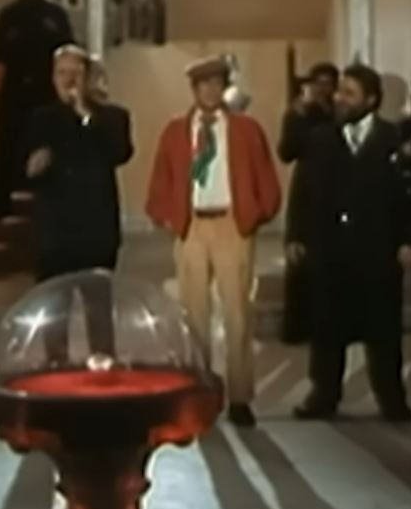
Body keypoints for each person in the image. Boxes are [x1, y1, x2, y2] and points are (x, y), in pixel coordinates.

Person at [145, 56, 281, 427]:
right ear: (193, 89)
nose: (210, 90)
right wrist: (166, 215)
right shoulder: (176, 131)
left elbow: (266, 176)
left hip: (232, 224)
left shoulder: (245, 130)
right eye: (203, 84)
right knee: (193, 315)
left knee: (237, 313)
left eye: (216, 83)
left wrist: (257, 213)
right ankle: (200, 392)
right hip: (192, 225)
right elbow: (161, 177)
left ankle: (239, 397)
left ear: (225, 88)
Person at [287, 65, 411, 422]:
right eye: (339, 91)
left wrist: (410, 242)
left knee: (383, 330)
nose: (338, 98)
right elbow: (301, 192)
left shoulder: (393, 140)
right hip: (329, 250)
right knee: (327, 327)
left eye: (349, 93)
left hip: (378, 251)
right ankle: (324, 394)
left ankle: (391, 397)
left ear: (371, 100)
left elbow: (410, 199)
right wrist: (296, 236)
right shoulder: (319, 139)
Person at [26, 44, 133, 362]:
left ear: (88, 77)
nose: (69, 80)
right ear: (52, 78)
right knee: (54, 311)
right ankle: (56, 368)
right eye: (62, 73)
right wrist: (33, 166)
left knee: (98, 310)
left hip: (95, 231)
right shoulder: (40, 119)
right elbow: (22, 168)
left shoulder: (112, 118)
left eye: (76, 73)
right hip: (55, 233)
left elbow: (119, 152)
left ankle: (102, 368)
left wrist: (85, 114)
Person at [0, 0, 74, 221]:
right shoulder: (11, 15)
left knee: (49, 145)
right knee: (6, 146)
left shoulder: (52, 15)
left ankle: (51, 202)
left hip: (45, 90)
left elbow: (68, 48)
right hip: (16, 89)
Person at [280, 62, 339, 344]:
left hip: (338, 188)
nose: (324, 89)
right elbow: (287, 152)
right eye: (320, 83)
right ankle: (297, 328)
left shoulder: (341, 112)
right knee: (301, 258)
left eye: (330, 83)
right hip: (308, 186)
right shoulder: (300, 113)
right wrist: (300, 114)